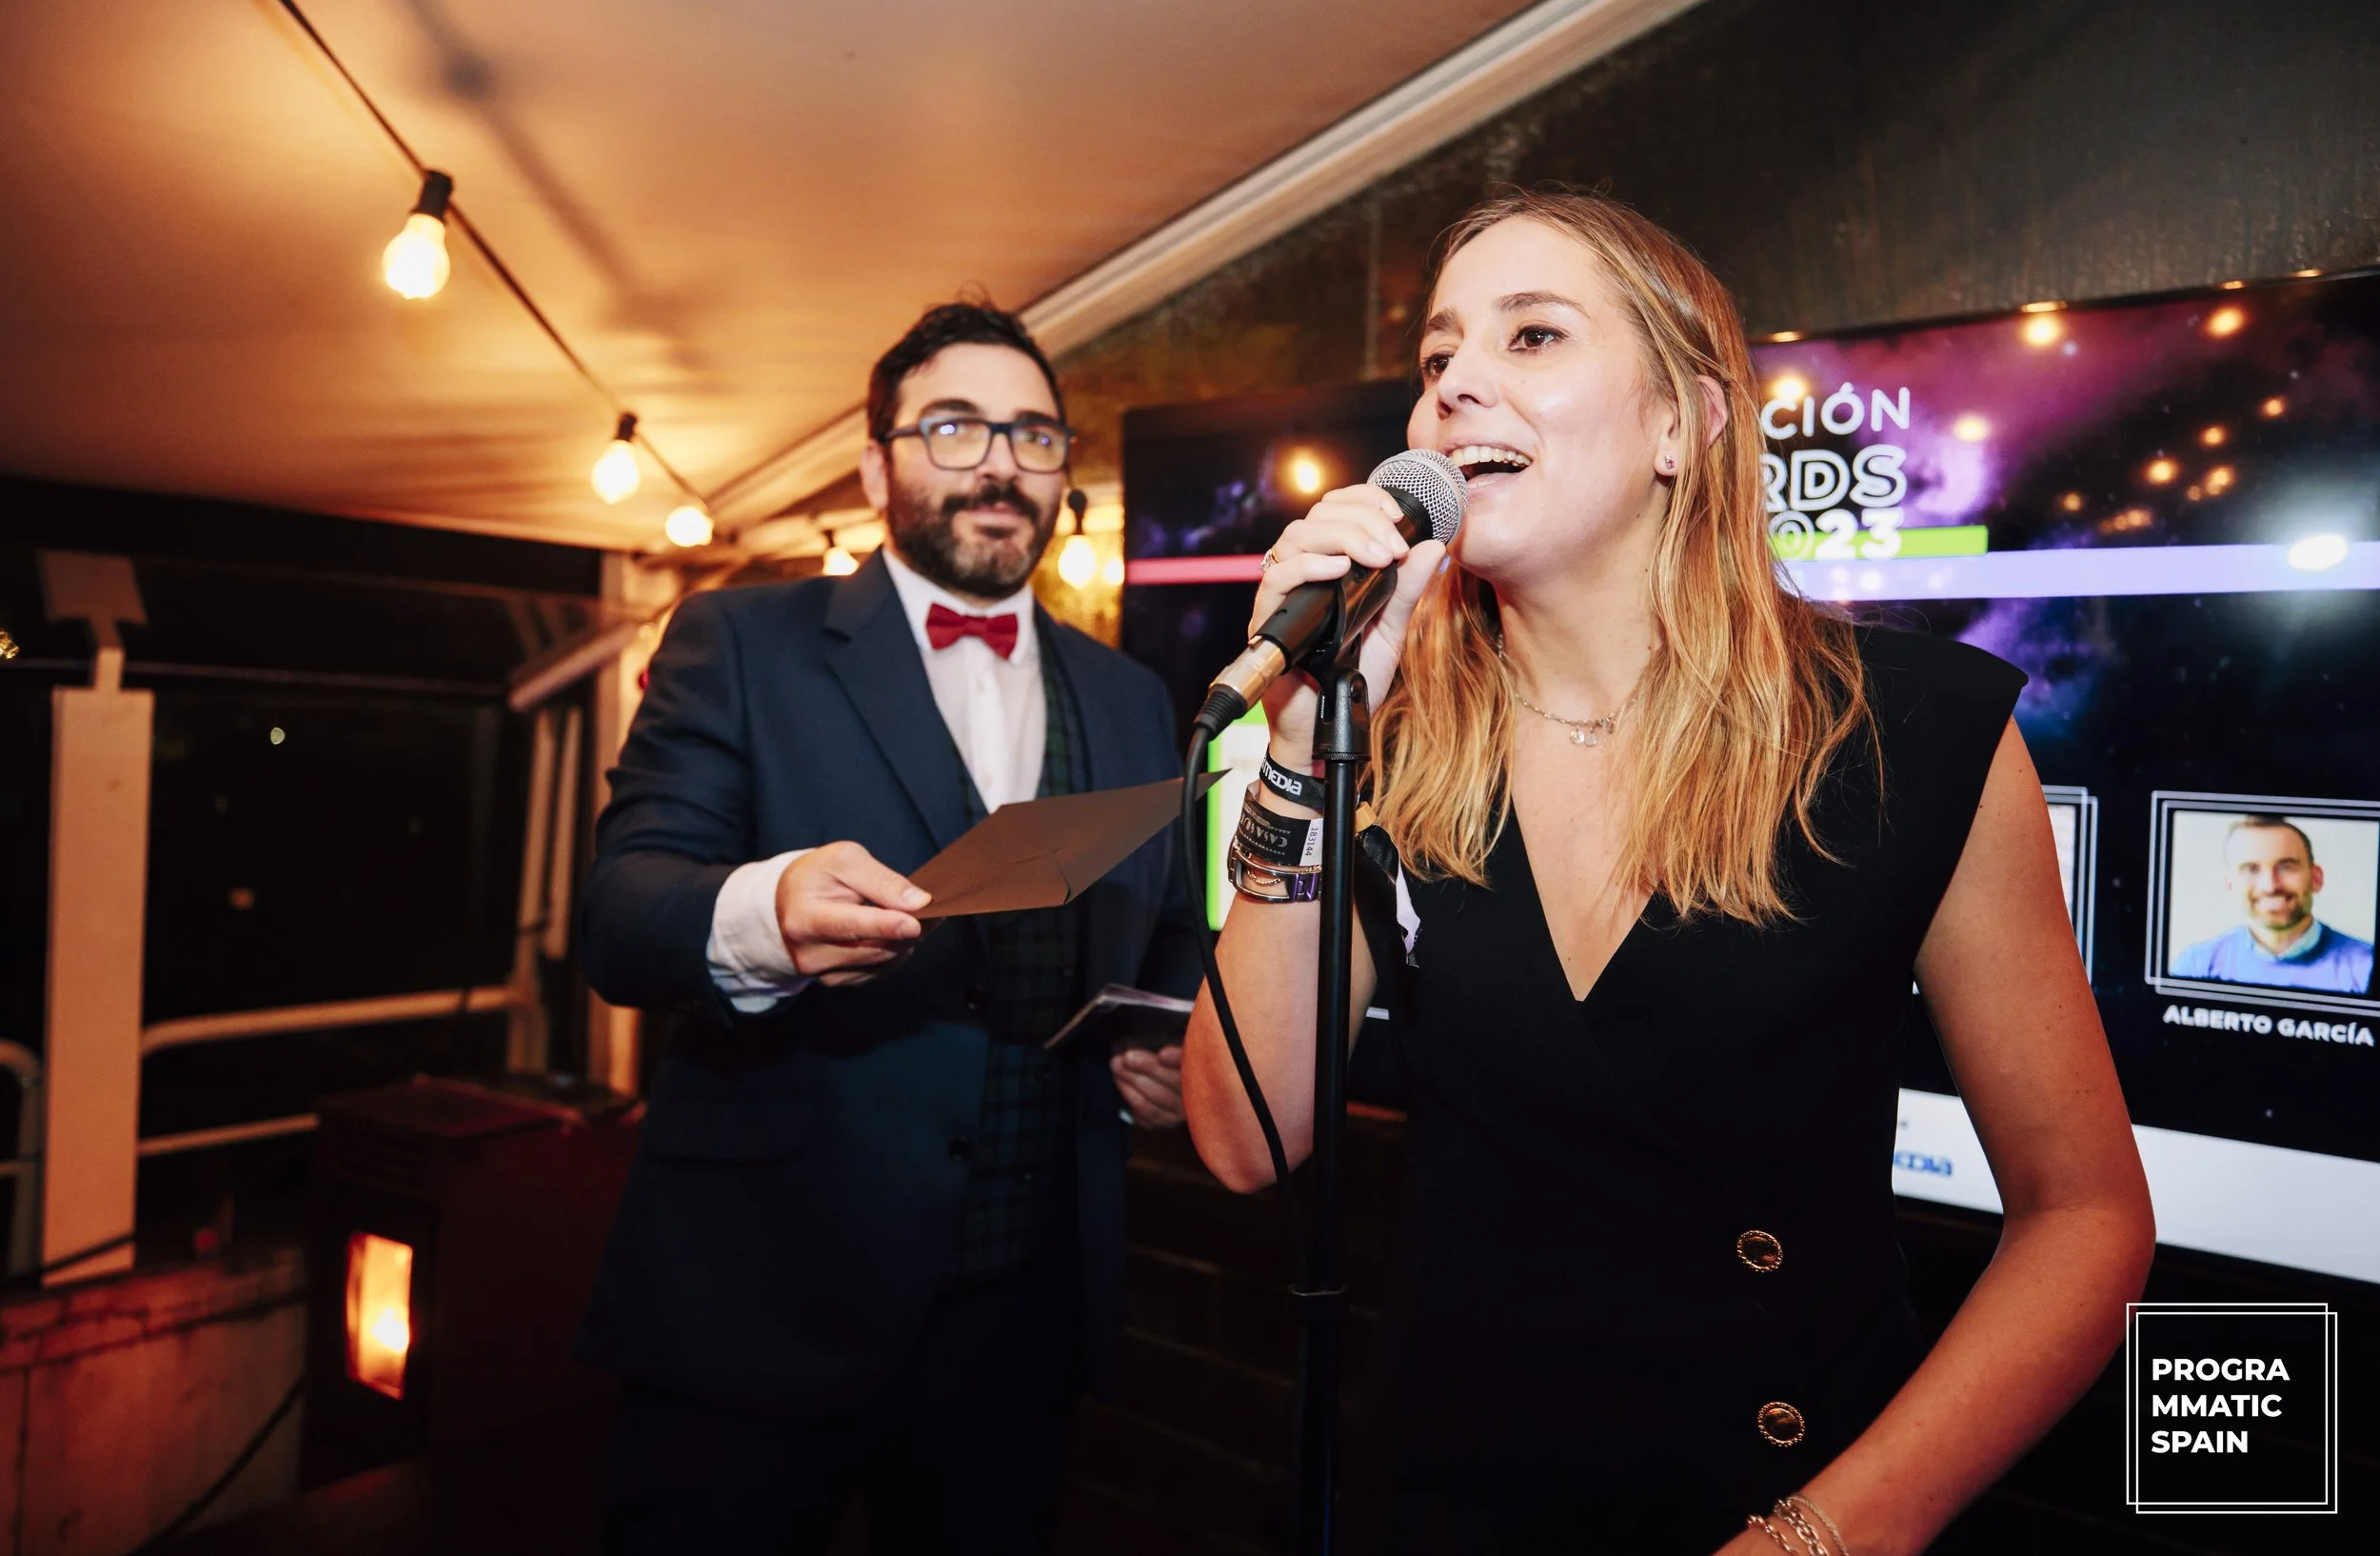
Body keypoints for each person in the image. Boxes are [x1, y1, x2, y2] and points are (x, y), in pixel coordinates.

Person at [1181, 190, 2155, 1555]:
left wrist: (1826, 1533)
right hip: (1451, 1494)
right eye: (1439, 354)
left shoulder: (1910, 731)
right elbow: (1244, 1138)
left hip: (1782, 1492)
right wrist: (1299, 744)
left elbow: (2087, 1216)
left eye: (1532, 335)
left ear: (1681, 424)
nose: (1456, 382)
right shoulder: (1383, 739)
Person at [576, 302, 1200, 1555]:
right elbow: (619, 910)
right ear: (875, 467)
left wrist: (1167, 1049)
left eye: (1033, 435)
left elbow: (1166, 925)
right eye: (955, 427)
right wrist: (766, 911)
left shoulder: (1134, 694)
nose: (1000, 464)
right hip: (760, 1298)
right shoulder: (742, 639)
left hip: (1024, 1313)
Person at [2171, 815, 2374, 993]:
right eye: (2251, 869)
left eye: (2286, 867)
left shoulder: (2368, 968)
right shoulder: (2197, 967)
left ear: (2316, 878)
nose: (2270, 886)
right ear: (2230, 885)